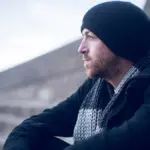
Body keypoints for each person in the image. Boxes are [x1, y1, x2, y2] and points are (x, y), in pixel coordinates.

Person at [3, 1, 150, 150]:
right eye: (82, 37)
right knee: (36, 141)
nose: (81, 48)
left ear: (120, 42)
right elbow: (28, 128)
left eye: (90, 36)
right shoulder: (96, 87)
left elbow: (133, 137)